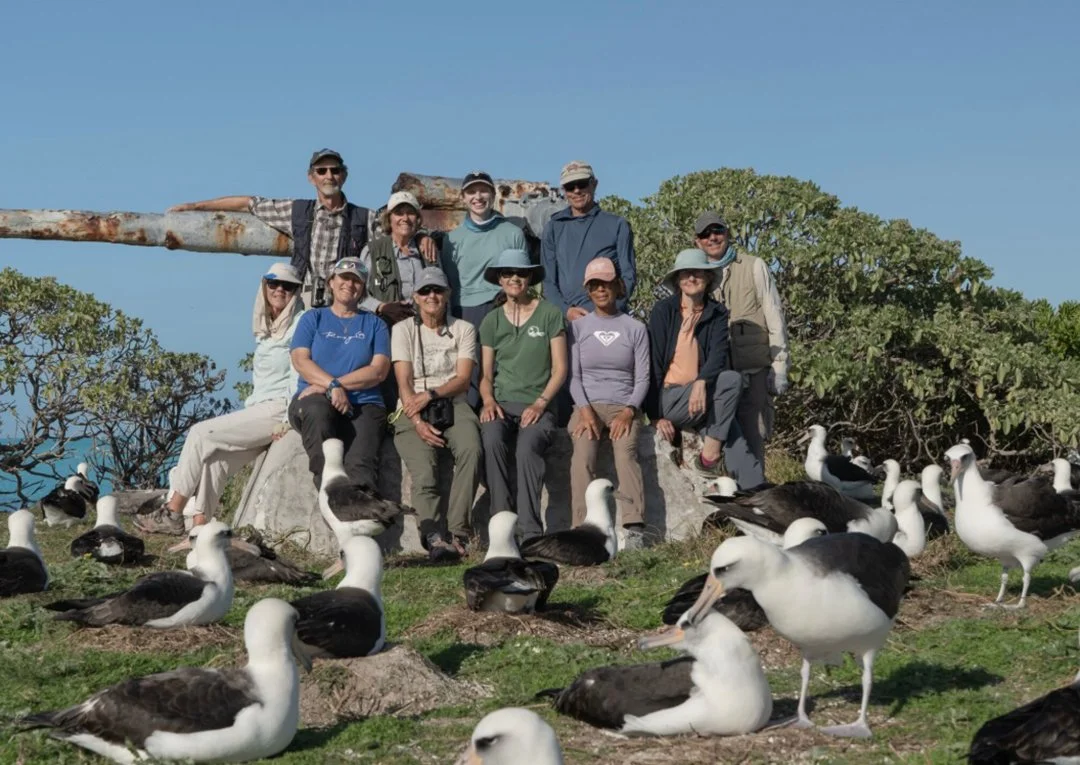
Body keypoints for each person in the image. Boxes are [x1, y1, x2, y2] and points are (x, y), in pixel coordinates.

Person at [135, 263, 306, 535]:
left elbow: (299, 372)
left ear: (297, 291)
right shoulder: (266, 324)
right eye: (274, 283)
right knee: (216, 462)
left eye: (287, 286)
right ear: (264, 286)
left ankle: (173, 511)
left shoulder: (300, 323)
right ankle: (199, 532)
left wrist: (288, 419)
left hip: (277, 411)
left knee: (201, 434)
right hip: (259, 407)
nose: (279, 290)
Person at [168, 149, 436, 306]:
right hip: (305, 303)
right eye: (322, 171)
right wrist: (196, 205)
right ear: (311, 178)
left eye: (334, 170)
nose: (328, 176)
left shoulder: (363, 217)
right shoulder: (296, 212)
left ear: (344, 175)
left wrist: (422, 235)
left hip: (349, 303)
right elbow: (250, 203)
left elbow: (400, 227)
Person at [645, 249, 763, 489]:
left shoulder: (717, 313)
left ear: (708, 277)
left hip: (703, 398)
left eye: (697, 272)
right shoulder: (663, 311)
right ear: (677, 280)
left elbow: (718, 355)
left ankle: (757, 493)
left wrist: (701, 382)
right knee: (730, 381)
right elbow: (653, 363)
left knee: (735, 438)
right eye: (685, 273)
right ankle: (709, 459)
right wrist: (655, 415)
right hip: (671, 398)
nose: (691, 278)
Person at [391, 268, 482, 562]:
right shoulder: (402, 329)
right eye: (425, 291)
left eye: (438, 291)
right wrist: (417, 420)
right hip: (410, 407)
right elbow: (403, 380)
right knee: (425, 468)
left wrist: (430, 395)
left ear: (448, 295)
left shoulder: (464, 329)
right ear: (415, 297)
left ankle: (459, 531)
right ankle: (432, 535)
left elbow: (463, 378)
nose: (432, 296)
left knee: (471, 450)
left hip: (451, 401)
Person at [478, 250, 568, 541]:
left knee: (527, 448)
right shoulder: (491, 320)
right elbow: (486, 375)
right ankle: (502, 525)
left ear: (530, 278)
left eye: (521, 273)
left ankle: (530, 531)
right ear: (500, 280)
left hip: (538, 405)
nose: (514, 278)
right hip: (501, 403)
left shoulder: (550, 314)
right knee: (491, 439)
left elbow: (560, 369)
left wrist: (541, 403)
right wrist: (489, 401)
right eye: (507, 274)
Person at [694, 211, 790, 467]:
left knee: (754, 439)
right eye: (705, 234)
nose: (712, 238)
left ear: (728, 234)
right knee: (718, 440)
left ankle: (755, 498)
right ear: (697, 241)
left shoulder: (754, 265)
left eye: (718, 231)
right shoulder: (696, 276)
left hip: (755, 369)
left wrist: (779, 367)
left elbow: (774, 316)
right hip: (718, 376)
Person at [568, 258, 651, 549]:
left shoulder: (635, 328)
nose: (601, 290)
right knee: (582, 457)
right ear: (588, 291)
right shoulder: (578, 328)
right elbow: (574, 376)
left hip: (623, 406)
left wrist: (629, 411)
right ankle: (582, 528)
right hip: (586, 405)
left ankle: (634, 526)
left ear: (617, 285)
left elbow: (642, 378)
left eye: (606, 283)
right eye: (594, 285)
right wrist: (584, 410)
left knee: (626, 454)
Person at [288, 257, 391, 489]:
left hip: (364, 403)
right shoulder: (312, 318)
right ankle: (327, 490)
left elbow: (378, 371)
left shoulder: (375, 324)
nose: (350, 284)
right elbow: (300, 360)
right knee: (316, 411)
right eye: (344, 278)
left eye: (357, 281)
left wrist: (334, 385)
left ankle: (363, 516)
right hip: (313, 400)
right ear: (332, 282)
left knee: (360, 469)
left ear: (363, 288)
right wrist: (332, 388)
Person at [440, 171, 528, 407]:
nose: (477, 197)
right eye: (471, 192)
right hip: (466, 312)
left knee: (503, 369)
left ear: (493, 194)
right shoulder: (452, 239)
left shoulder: (513, 233)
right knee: (469, 372)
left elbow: (524, 278)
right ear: (463, 198)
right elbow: (449, 282)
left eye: (483, 191)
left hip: (504, 309)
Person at [541, 160, 637, 322]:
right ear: (564, 191)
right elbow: (548, 281)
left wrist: (605, 311)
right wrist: (566, 311)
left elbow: (628, 276)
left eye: (582, 184)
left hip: (610, 319)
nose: (577, 191)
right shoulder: (553, 228)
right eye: (571, 186)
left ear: (594, 184)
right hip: (567, 322)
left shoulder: (617, 224)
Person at [358, 190, 426, 326]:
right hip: (383, 326)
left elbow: (442, 288)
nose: (405, 218)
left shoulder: (427, 250)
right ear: (389, 218)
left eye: (410, 213)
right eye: (399, 213)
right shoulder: (373, 250)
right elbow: (358, 293)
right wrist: (381, 306)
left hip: (422, 326)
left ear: (417, 218)